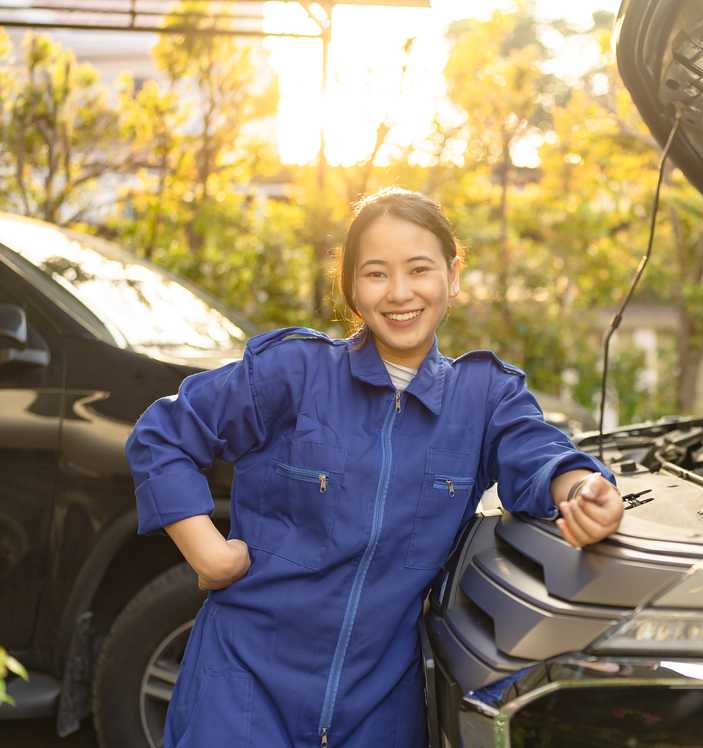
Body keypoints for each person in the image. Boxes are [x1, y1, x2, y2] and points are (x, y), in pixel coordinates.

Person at [125, 187, 623, 748]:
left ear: (452, 275)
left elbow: (539, 452)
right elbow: (163, 433)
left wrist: (582, 488)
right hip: (242, 685)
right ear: (352, 287)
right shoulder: (295, 371)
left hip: (379, 706)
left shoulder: (483, 397)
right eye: (377, 274)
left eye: (420, 269)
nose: (401, 293)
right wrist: (208, 554)